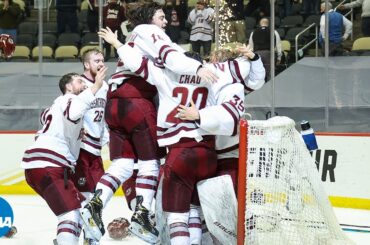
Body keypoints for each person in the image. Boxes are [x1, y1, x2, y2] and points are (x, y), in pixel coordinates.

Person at [81, 1, 218, 243]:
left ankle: (95, 204)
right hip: (136, 101)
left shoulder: (136, 36)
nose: (165, 21)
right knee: (150, 163)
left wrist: (118, 44)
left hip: (115, 102)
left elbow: (141, 62)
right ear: (148, 17)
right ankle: (142, 215)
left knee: (123, 164)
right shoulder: (150, 30)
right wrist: (197, 67)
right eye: (161, 16)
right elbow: (172, 58)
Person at [178, 46, 266, 244]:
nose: (212, 59)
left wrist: (254, 57)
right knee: (204, 200)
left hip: (227, 150)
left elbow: (257, 80)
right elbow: (258, 79)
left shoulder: (231, 81)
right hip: (208, 148)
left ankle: (239, 234)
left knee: (227, 200)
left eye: (216, 57)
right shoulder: (207, 77)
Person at [21, 69, 107, 245]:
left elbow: (47, 121)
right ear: (68, 87)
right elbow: (74, 111)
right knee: (70, 215)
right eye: (78, 81)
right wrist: (96, 85)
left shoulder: (54, 106)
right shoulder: (71, 99)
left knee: (79, 208)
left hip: (36, 167)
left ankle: (64, 240)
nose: (83, 84)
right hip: (50, 165)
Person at [70, 48, 109, 244]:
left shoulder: (105, 86)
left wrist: (107, 139)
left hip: (96, 149)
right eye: (96, 61)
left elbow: (105, 117)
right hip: (81, 150)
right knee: (82, 197)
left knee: (97, 197)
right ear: (87, 64)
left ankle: (90, 238)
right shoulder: (78, 85)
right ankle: (71, 237)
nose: (101, 64)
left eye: (102, 60)